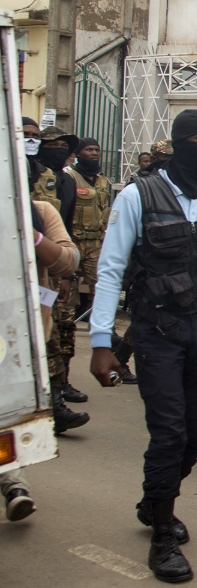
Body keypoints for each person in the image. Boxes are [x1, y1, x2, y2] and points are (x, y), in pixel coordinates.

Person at [89, 110, 197, 582]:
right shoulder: (139, 195)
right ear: (178, 142)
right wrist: (100, 341)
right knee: (169, 432)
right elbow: (111, 269)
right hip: (160, 332)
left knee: (195, 435)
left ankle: (156, 501)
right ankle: (162, 536)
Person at [6, 198, 81, 518]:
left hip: (17, 336)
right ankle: (14, 485)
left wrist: (31, 234)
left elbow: (67, 260)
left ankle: (13, 484)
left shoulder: (39, 210)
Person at [38, 127, 86, 405]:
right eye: (50, 144)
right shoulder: (26, 176)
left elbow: (65, 228)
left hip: (60, 262)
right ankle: (50, 398)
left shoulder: (66, 182)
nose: (57, 149)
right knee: (44, 330)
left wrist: (69, 272)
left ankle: (61, 384)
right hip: (33, 270)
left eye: (61, 145)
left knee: (64, 325)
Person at [64, 138, 111, 311]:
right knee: (66, 290)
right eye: (89, 149)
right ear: (77, 154)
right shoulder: (69, 178)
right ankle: (65, 331)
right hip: (73, 240)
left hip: (95, 243)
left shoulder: (102, 180)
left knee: (101, 287)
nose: (94, 153)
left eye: (97, 150)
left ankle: (103, 327)